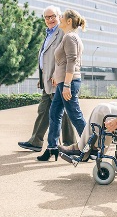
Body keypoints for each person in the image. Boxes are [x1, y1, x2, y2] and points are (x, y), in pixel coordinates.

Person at [18, 6, 77, 152]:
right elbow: (45, 58)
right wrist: (42, 77)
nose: (50, 20)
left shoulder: (62, 32)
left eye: (52, 17)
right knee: (44, 110)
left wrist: (57, 76)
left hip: (57, 80)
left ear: (59, 16)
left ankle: (70, 144)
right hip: (47, 80)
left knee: (62, 113)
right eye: (47, 17)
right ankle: (36, 141)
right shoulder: (48, 34)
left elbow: (64, 57)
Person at [37, 9, 87, 162]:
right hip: (62, 82)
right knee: (54, 113)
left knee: (74, 115)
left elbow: (72, 62)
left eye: (62, 17)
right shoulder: (69, 36)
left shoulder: (70, 37)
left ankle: (91, 145)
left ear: (69, 21)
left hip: (68, 83)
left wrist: (66, 85)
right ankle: (52, 147)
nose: (59, 18)